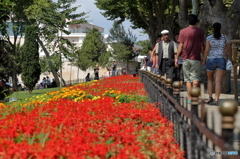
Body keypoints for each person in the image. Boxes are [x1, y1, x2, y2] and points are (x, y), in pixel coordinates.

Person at [175, 14, 205, 103]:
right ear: (196, 22)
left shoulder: (182, 31)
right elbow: (201, 45)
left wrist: (177, 57)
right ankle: (195, 97)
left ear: (188, 21)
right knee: (195, 79)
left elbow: (181, 45)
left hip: (185, 58)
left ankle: (189, 98)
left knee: (187, 80)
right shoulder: (200, 31)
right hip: (196, 58)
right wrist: (205, 57)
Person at [202, 22, 231, 105]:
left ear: (213, 29)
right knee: (218, 81)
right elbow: (227, 50)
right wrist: (229, 58)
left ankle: (210, 97)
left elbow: (207, 50)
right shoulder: (224, 37)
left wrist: (204, 59)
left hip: (211, 60)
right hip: (221, 60)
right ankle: (217, 100)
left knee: (210, 79)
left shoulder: (209, 38)